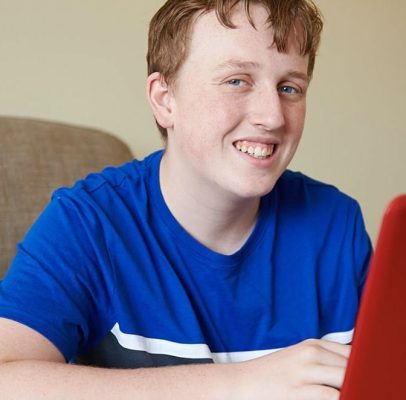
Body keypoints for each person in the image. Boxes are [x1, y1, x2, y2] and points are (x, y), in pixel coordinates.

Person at [0, 0, 372, 398]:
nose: (273, 116)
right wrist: (240, 384)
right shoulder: (88, 223)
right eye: (237, 81)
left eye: (289, 88)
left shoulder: (337, 224)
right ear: (164, 99)